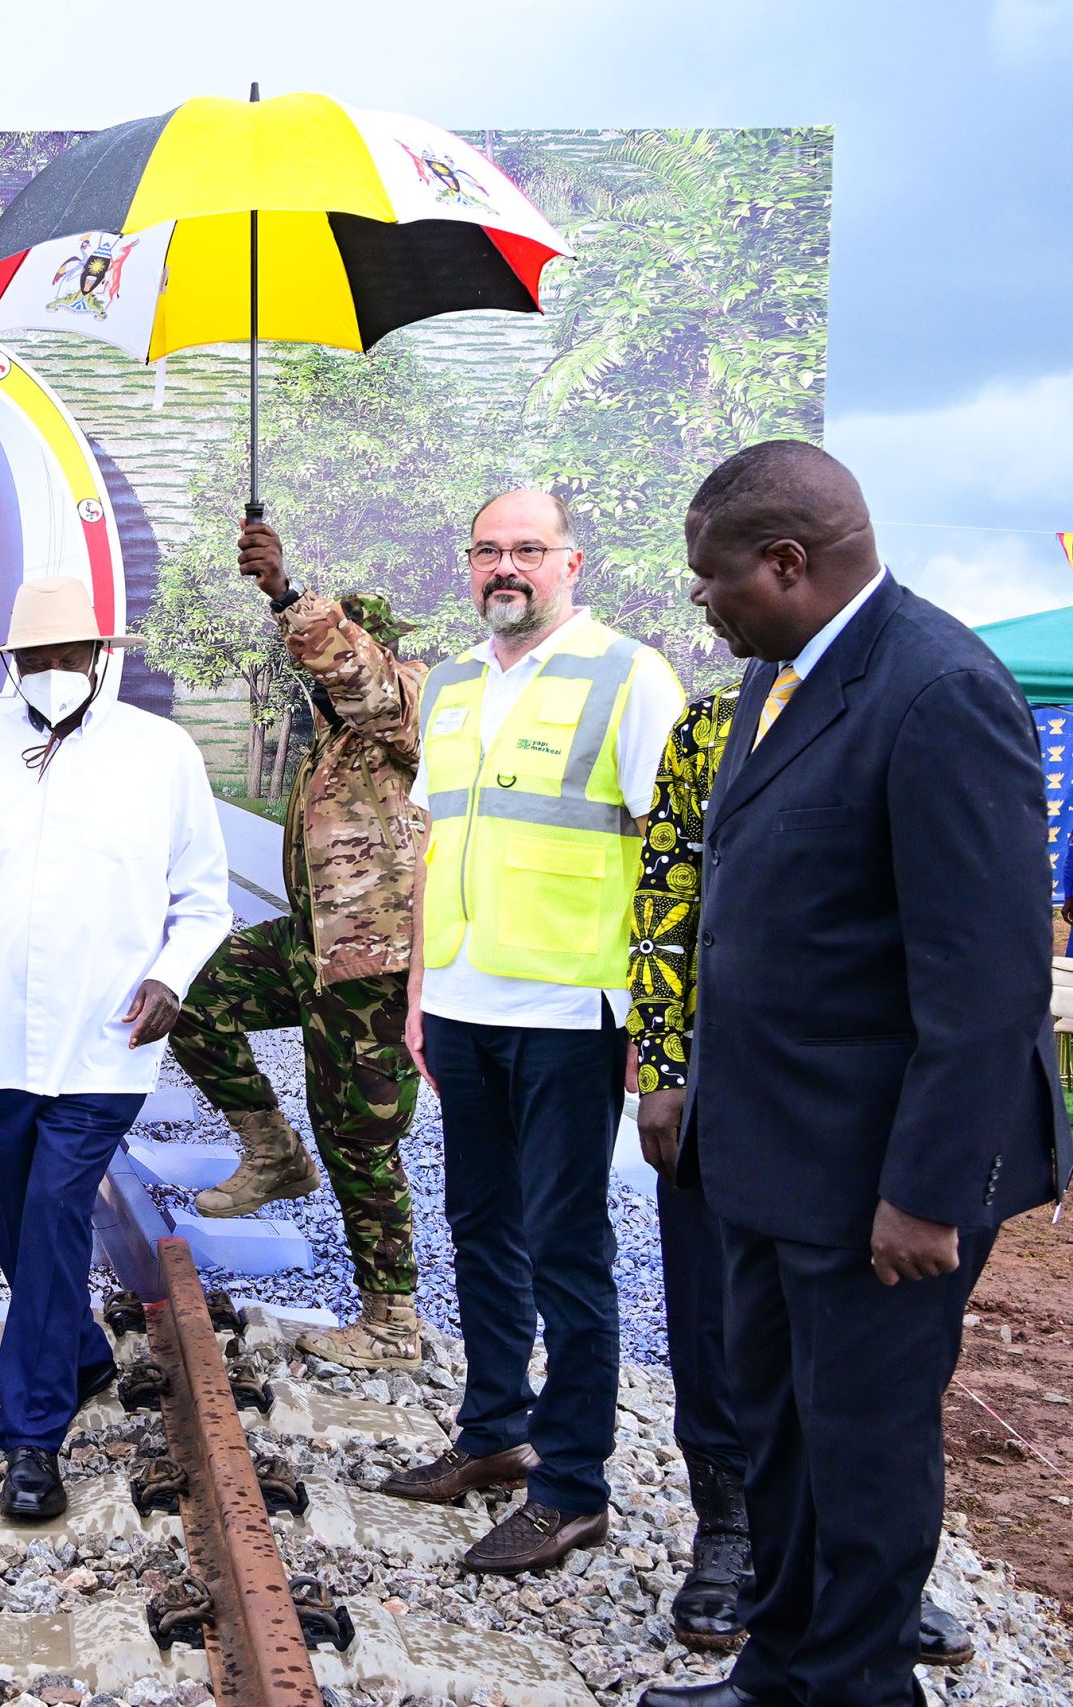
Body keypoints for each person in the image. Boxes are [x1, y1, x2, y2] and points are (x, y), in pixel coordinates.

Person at [636, 442, 1067, 1707]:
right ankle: (782, 1667)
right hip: (771, 1159)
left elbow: (987, 980)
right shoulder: (779, 681)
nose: (701, 601)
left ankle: (858, 1685)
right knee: (778, 1430)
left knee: (863, 1448)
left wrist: (929, 1192)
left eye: (713, 578)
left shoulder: (939, 692)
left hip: (880, 1177)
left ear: (788, 562)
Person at [0, 575, 232, 1523]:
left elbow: (205, 895)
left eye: (70, 657)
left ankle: (30, 1437)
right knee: (9, 1219)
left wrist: (172, 976)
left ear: (102, 659)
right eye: (37, 659)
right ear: (12, 665)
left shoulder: (161, 754)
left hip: (105, 1043)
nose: (53, 673)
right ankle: (83, 1353)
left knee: (55, 1210)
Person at [628, 672, 975, 1671]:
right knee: (717, 1319)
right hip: (720, 1090)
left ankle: (869, 1574)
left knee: (869, 1348)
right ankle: (733, 1531)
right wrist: (661, 1067)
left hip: (860, 1096)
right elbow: (667, 888)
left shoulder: (904, 717)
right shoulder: (708, 728)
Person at [380, 489, 685, 1574]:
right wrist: (419, 992)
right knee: (478, 1229)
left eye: (526, 550)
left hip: (568, 1007)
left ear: (571, 563)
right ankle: (493, 1433)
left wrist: (657, 1025)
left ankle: (571, 1487)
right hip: (463, 1006)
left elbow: (670, 857)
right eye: (486, 551)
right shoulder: (454, 682)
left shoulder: (628, 675)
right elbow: (434, 845)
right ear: (468, 567)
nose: (504, 567)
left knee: (566, 1248)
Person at [169, 519, 428, 1370]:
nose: (320, 677)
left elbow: (365, 681)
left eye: (337, 657)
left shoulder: (408, 711)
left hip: (377, 962)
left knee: (358, 1137)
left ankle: (390, 1321)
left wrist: (283, 593)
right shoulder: (334, 741)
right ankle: (273, 1152)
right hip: (315, 944)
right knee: (193, 996)